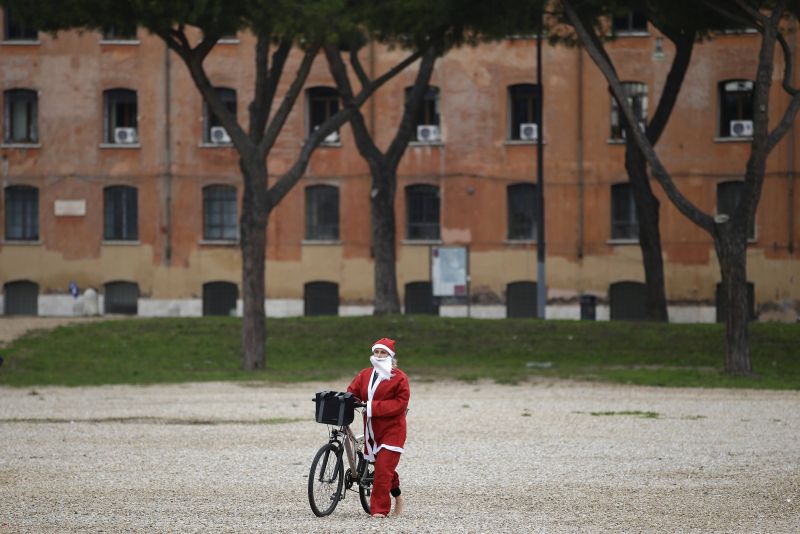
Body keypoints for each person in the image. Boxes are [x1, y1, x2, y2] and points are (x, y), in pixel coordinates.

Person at [347, 337, 410, 518]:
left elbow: (400, 403)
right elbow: (353, 392)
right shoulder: (365, 374)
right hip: (372, 431)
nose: (379, 355)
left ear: (390, 355)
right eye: (377, 352)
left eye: (383, 352)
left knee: (382, 470)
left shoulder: (400, 378)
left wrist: (371, 407)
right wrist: (347, 400)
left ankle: (379, 511)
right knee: (384, 468)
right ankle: (398, 495)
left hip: (393, 430)